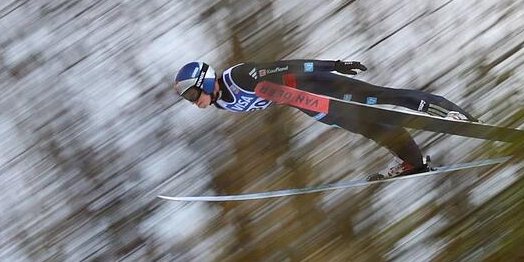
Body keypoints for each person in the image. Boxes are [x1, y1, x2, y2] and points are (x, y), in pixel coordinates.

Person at [173, 59, 477, 179]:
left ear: (206, 80)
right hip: (312, 106)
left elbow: (287, 66)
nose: (193, 103)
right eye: (188, 99)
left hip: (318, 87)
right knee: (375, 128)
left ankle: (447, 112)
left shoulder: (239, 76)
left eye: (191, 95)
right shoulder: (224, 104)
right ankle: (414, 162)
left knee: (383, 97)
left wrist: (335, 66)